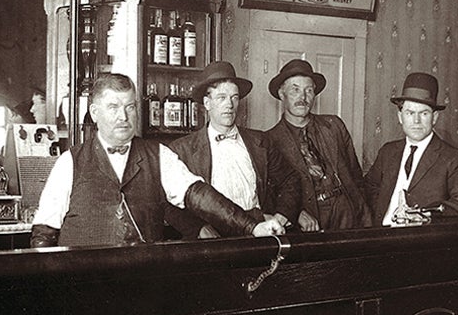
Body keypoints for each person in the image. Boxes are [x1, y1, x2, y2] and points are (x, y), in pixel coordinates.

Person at [30, 72, 286, 248]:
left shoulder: (159, 155)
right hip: (85, 286)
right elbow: (44, 233)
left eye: (130, 107)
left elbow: (200, 196)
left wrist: (252, 227)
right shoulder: (69, 162)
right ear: (95, 113)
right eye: (113, 107)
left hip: (143, 283)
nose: (124, 116)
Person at [167, 61, 302, 238]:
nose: (229, 105)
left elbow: (290, 180)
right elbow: (166, 204)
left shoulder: (260, 141)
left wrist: (280, 218)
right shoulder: (182, 149)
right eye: (221, 97)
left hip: (259, 235)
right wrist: (198, 229)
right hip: (213, 241)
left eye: (234, 97)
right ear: (207, 103)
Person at [264, 58, 372, 231]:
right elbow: (269, 195)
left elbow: (355, 174)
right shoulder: (269, 140)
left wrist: (363, 210)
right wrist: (296, 213)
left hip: (347, 210)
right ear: (281, 94)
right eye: (295, 90)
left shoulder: (334, 125)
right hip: (310, 218)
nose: (303, 97)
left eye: (309, 90)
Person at [365, 72, 458, 225]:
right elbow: (368, 188)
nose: (416, 121)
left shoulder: (451, 157)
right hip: (382, 236)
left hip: (422, 240)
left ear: (435, 117)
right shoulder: (388, 151)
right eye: (410, 113)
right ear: (400, 117)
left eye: (424, 113)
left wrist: (427, 214)